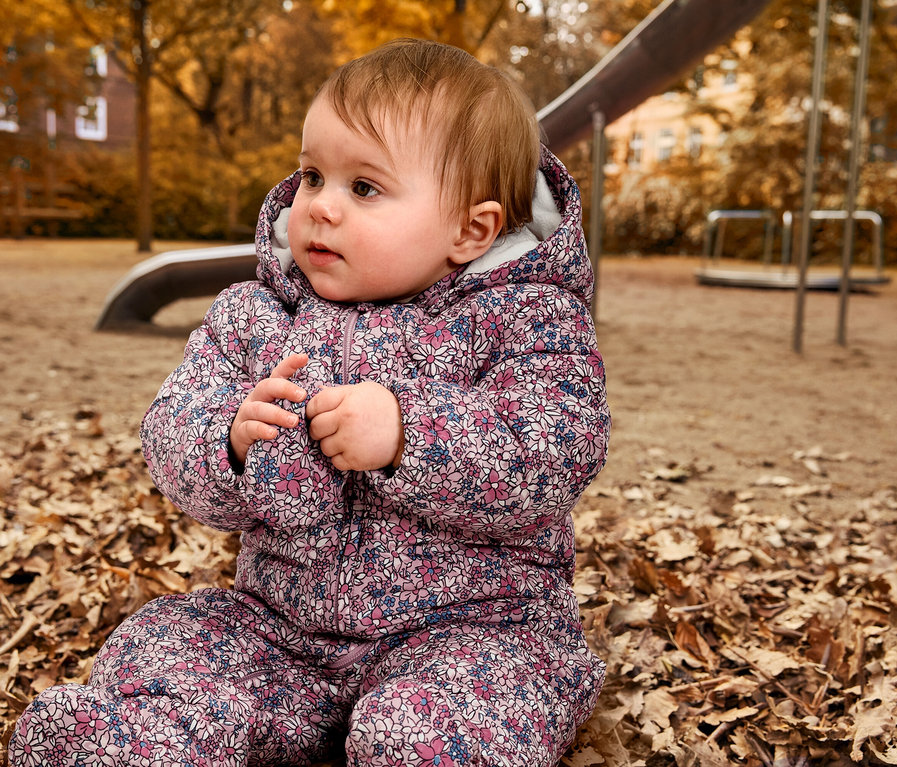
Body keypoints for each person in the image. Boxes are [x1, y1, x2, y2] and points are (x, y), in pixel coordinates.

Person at [9, 38, 609, 767]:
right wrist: (230, 441)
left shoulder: (527, 320)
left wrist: (411, 434)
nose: (320, 206)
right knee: (170, 644)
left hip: (476, 628)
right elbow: (169, 425)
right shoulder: (255, 316)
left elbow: (557, 446)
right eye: (313, 176)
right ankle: (129, 741)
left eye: (365, 188)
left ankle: (416, 741)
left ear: (469, 229)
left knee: (436, 726)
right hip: (282, 628)